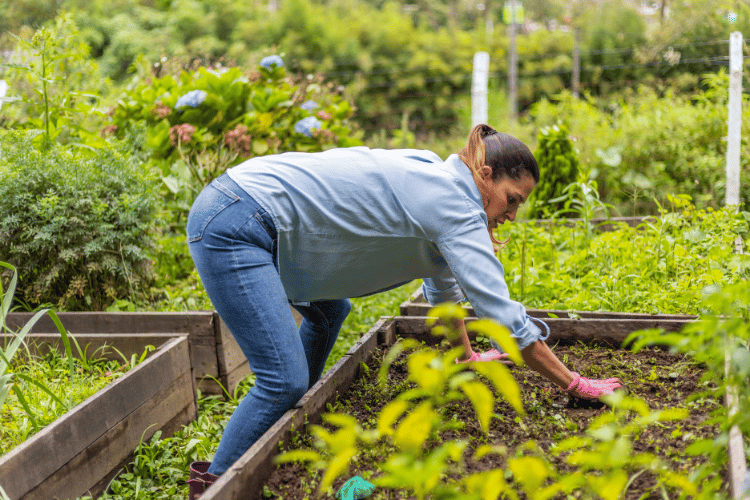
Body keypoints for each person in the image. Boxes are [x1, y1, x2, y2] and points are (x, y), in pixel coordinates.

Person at [184, 124, 621, 495]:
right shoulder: (453, 201)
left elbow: (444, 289)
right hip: (237, 222)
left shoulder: (439, 180)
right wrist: (573, 383)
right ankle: (213, 486)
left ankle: (280, 423)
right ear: (485, 175)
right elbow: (502, 313)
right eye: (512, 200)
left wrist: (466, 355)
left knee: (329, 312)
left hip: (251, 210)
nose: (512, 214)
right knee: (282, 378)